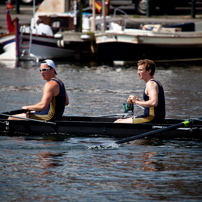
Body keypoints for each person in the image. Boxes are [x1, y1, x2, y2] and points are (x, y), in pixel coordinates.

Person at [115, 59, 165, 123]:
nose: (138, 72)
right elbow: (151, 103)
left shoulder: (151, 84)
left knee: (117, 122)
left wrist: (136, 102)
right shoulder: (155, 82)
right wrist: (137, 101)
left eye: (141, 70)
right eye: (138, 70)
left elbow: (154, 103)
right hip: (153, 118)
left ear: (148, 71)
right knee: (120, 120)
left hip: (151, 119)